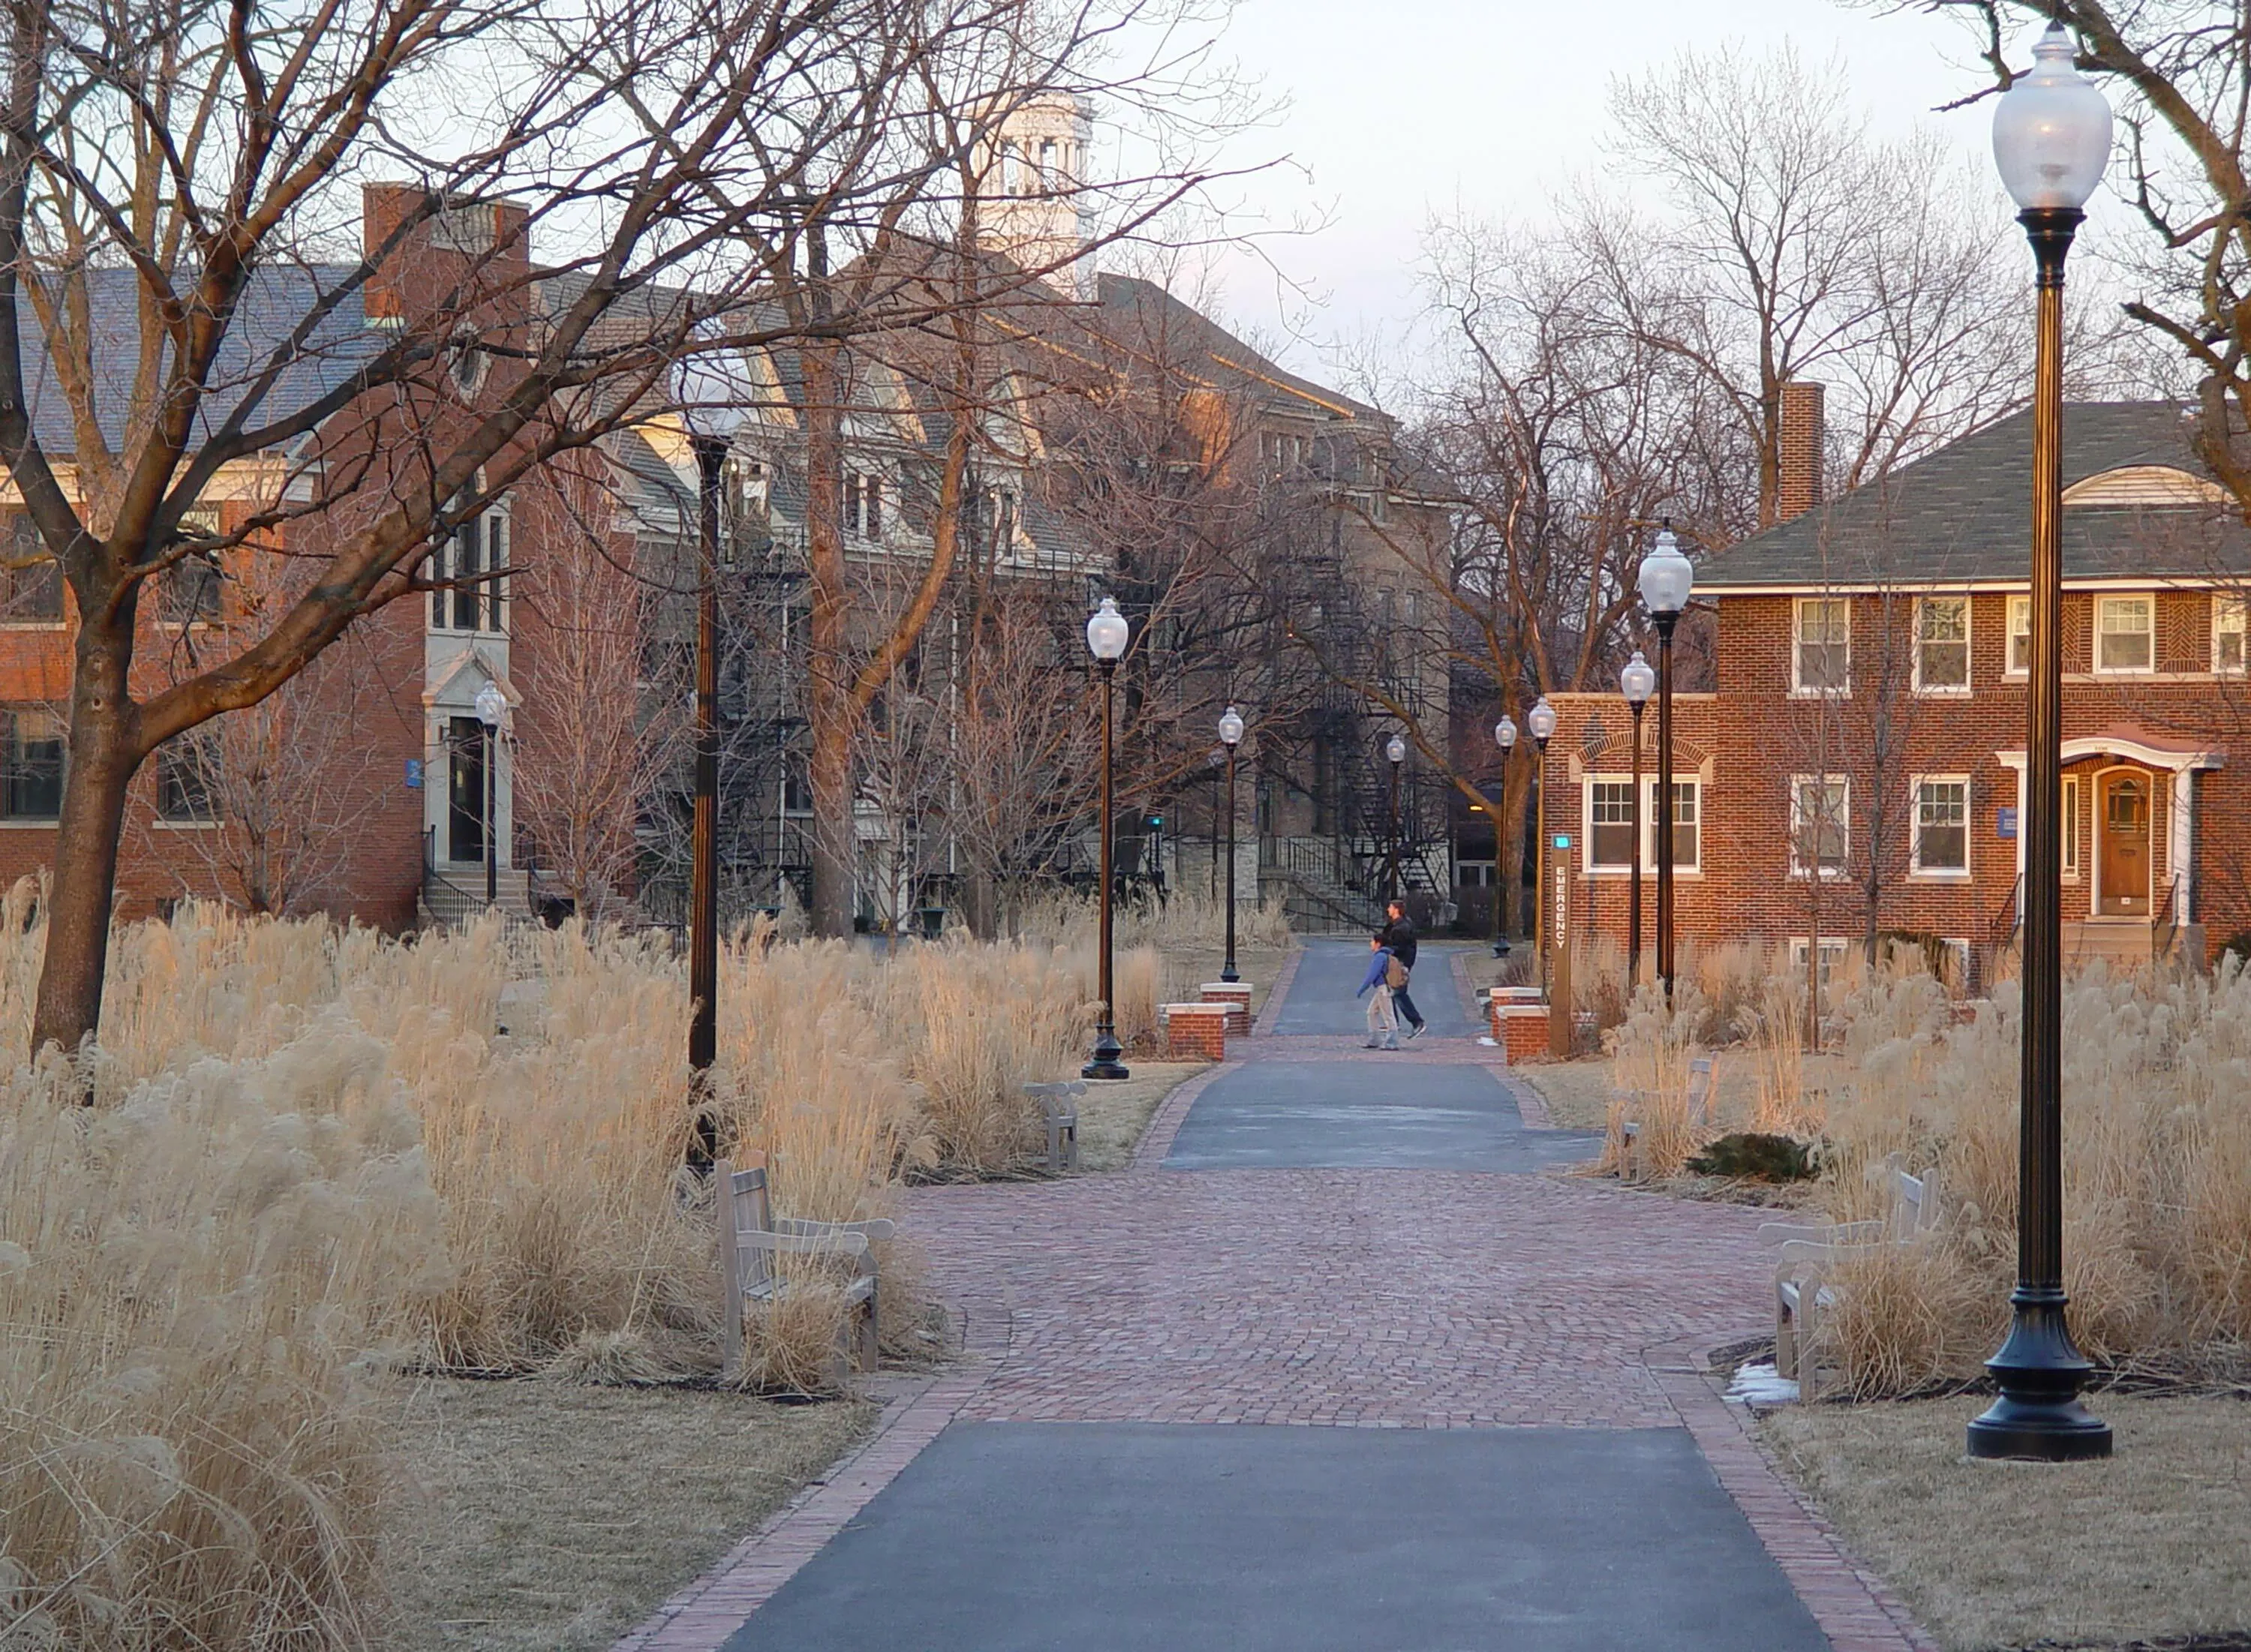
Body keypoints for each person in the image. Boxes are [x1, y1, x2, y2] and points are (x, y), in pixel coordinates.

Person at [1381, 900, 1426, 1040]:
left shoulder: (1401, 928)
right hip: (1397, 964)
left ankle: (1416, 1021)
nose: (1388, 909)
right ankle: (1393, 1022)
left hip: (1399, 964)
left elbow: (1402, 948)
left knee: (1398, 993)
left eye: (1390, 907)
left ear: (1396, 910)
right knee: (1391, 992)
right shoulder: (1399, 925)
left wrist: (1385, 949)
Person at [1357, 934, 1400, 1050]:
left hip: (1383, 989)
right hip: (1383, 988)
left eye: (1372, 941)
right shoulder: (1385, 955)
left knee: (1388, 1015)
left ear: (1378, 943)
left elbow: (1372, 975)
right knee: (1371, 1012)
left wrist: (1362, 989)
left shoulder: (1380, 957)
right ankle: (1375, 1040)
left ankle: (1392, 1042)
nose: (1370, 943)